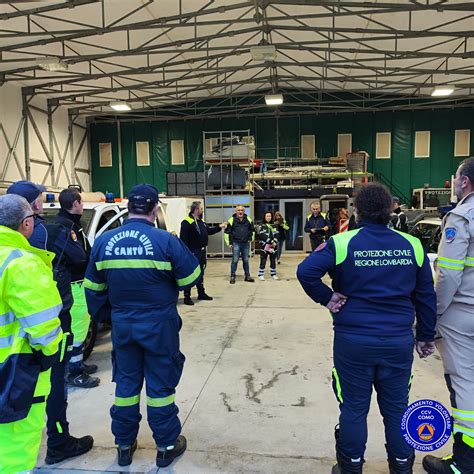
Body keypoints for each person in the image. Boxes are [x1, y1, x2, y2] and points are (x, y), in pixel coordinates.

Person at [297, 183, 437, 474]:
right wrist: (425, 335)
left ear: (357, 211)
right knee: (397, 409)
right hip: (397, 341)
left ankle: (351, 467)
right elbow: (426, 295)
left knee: (353, 409)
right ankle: (401, 467)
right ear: (389, 211)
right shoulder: (412, 245)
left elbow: (305, 271)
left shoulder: (343, 242)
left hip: (353, 341)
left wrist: (328, 298)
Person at [84, 184, 201, 468]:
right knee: (161, 386)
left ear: (128, 208)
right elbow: (191, 279)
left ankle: (124, 445)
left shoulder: (103, 241)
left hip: (123, 324)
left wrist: (110, 318)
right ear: (153, 209)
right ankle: (166, 446)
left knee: (126, 385)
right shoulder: (166, 241)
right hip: (159, 324)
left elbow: (93, 288)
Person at [7, 180, 94, 464]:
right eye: (41, 200)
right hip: (32, 343)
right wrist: (52, 350)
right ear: (30, 211)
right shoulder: (45, 235)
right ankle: (58, 440)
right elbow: (79, 258)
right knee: (55, 386)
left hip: (8, 351)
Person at [0, 194, 62, 473]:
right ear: (25, 224)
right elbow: (45, 327)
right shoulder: (21, 262)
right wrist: (49, 355)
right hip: (15, 375)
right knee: (14, 452)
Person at [423, 157, 474, 474]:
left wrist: (431, 318)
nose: (453, 185)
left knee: (464, 385)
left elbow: (449, 277)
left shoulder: (462, 217)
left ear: (465, 182)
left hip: (462, 315)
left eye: (455, 179)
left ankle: (465, 462)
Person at [56, 188, 100, 388]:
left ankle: (78, 362)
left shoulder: (70, 224)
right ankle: (74, 371)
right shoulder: (66, 227)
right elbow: (80, 257)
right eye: (81, 202)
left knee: (80, 326)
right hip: (74, 284)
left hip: (75, 283)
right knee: (78, 328)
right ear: (74, 203)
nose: (82, 205)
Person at [179, 201, 227, 306]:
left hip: (201, 251)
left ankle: (201, 293)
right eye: (201, 209)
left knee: (201, 273)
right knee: (191, 274)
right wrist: (186, 254)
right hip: (192, 252)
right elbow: (183, 240)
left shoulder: (201, 221)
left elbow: (209, 231)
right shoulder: (187, 222)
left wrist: (220, 227)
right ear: (196, 210)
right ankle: (187, 296)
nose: (202, 211)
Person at [224, 205, 255, 284]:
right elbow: (227, 232)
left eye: (242, 210)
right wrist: (229, 243)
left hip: (245, 243)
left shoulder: (248, 219)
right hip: (236, 243)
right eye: (238, 210)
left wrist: (251, 238)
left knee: (246, 260)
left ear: (244, 211)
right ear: (236, 211)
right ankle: (233, 276)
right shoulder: (231, 220)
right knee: (235, 260)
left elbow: (252, 230)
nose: (240, 212)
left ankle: (247, 276)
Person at [257, 211, 279, 281]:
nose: (268, 217)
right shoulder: (261, 226)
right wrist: (270, 241)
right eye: (267, 216)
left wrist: (275, 241)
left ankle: (273, 274)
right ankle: (261, 274)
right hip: (264, 246)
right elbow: (261, 235)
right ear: (264, 217)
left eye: (270, 216)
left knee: (273, 260)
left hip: (273, 246)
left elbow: (277, 234)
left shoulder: (274, 225)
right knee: (263, 260)